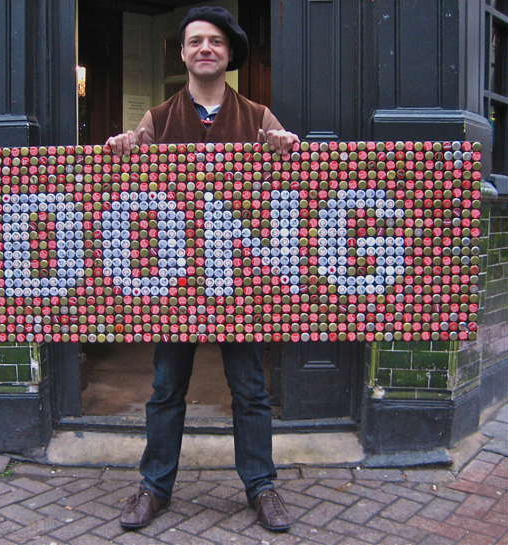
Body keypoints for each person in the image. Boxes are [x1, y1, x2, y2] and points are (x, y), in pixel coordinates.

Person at [105, 5, 299, 532]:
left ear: (229, 53)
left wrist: (285, 148)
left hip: (239, 283)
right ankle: (153, 486)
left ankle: (261, 486)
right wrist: (123, 148)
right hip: (175, 285)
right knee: (166, 388)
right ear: (184, 53)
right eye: (195, 41)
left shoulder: (259, 117)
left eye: (214, 41)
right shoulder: (157, 119)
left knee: (251, 390)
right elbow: (129, 185)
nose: (205, 48)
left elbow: (291, 188)